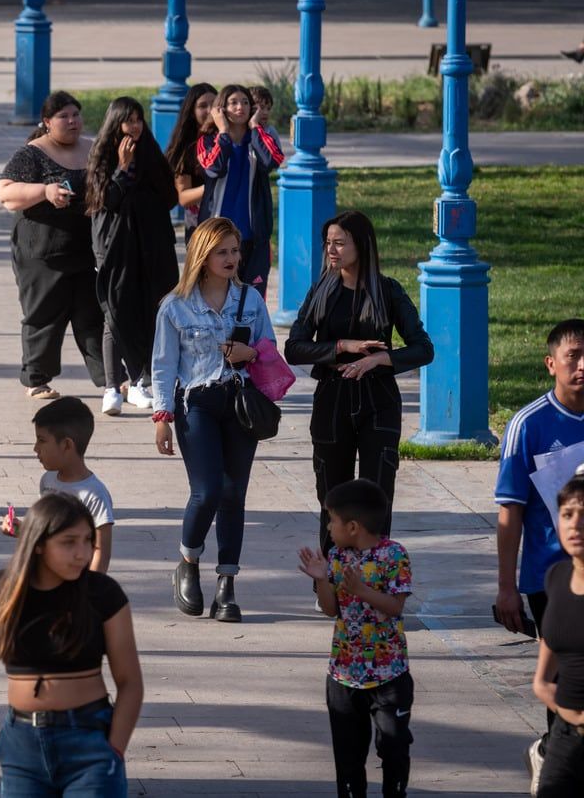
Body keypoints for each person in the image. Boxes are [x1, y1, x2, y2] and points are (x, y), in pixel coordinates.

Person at [0, 493, 141, 796]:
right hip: (21, 744)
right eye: (69, 542)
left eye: (88, 540)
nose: (82, 553)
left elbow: (130, 682)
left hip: (90, 741)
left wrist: (115, 747)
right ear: (37, 545)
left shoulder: (103, 594)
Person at [283, 210, 433, 558]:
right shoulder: (321, 291)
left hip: (378, 401)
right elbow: (294, 348)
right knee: (331, 495)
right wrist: (342, 347)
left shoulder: (389, 291)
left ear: (361, 246)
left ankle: (376, 574)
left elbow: (423, 348)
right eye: (328, 243)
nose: (331, 250)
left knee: (376, 493)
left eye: (339, 242)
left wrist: (378, 360)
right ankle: (330, 580)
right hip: (332, 400)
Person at [152, 217, 276, 622]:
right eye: (221, 252)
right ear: (202, 256)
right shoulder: (175, 306)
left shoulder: (250, 300)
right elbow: (164, 365)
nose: (231, 259)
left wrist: (251, 354)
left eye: (235, 251)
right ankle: (188, 562)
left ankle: (227, 583)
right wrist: (162, 416)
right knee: (206, 490)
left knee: (233, 493)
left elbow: (269, 346)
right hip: (197, 403)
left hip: (240, 404)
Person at [494, 318, 584, 784]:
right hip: (551, 578)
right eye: (574, 356)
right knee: (568, 679)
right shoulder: (528, 425)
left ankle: (554, 752)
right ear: (552, 364)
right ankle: (555, 762)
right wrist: (507, 587)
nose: (583, 366)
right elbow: (510, 513)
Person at [297, 478, 413, 798]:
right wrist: (322, 580)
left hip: (389, 673)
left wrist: (362, 591)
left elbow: (395, 607)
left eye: (331, 520)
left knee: (393, 746)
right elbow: (331, 608)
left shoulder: (394, 555)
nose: (328, 527)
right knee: (348, 758)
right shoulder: (336, 556)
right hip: (344, 674)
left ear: (352, 526)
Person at [0, 91, 105, 401]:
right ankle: (37, 379)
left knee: (92, 315)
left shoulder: (93, 148)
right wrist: (44, 191)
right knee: (43, 316)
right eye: (63, 116)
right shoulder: (32, 154)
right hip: (41, 252)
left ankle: (111, 379)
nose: (72, 121)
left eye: (76, 114)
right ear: (47, 122)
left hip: (84, 250)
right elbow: (4, 192)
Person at [85, 96, 178, 417]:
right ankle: (112, 387)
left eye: (139, 120)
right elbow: (106, 200)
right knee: (115, 314)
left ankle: (139, 382)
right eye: (129, 120)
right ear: (116, 123)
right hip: (115, 248)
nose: (135, 126)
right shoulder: (102, 157)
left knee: (151, 312)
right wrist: (123, 169)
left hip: (151, 246)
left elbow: (169, 197)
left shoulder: (150, 152)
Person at [195, 83, 285, 296]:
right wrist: (224, 133)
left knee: (250, 300)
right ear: (221, 108)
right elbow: (212, 167)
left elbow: (272, 160)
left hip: (253, 237)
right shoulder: (207, 140)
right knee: (216, 296)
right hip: (216, 236)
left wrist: (255, 128)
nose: (240, 107)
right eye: (233, 102)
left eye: (245, 102)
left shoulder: (258, 138)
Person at [531, 475, 584, 795]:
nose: (575, 524)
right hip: (565, 737)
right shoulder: (556, 577)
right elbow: (543, 677)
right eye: (567, 514)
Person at [32, 396, 115, 573]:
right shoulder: (47, 481)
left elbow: (101, 552)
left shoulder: (95, 495)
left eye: (42, 440)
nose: (35, 448)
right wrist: (21, 529)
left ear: (67, 445)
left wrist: (88, 591)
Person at [165, 82, 216, 245]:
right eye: (202, 106)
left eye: (214, 105)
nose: (210, 110)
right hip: (202, 230)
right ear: (192, 112)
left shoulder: (229, 139)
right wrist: (213, 187)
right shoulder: (187, 149)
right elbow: (184, 197)